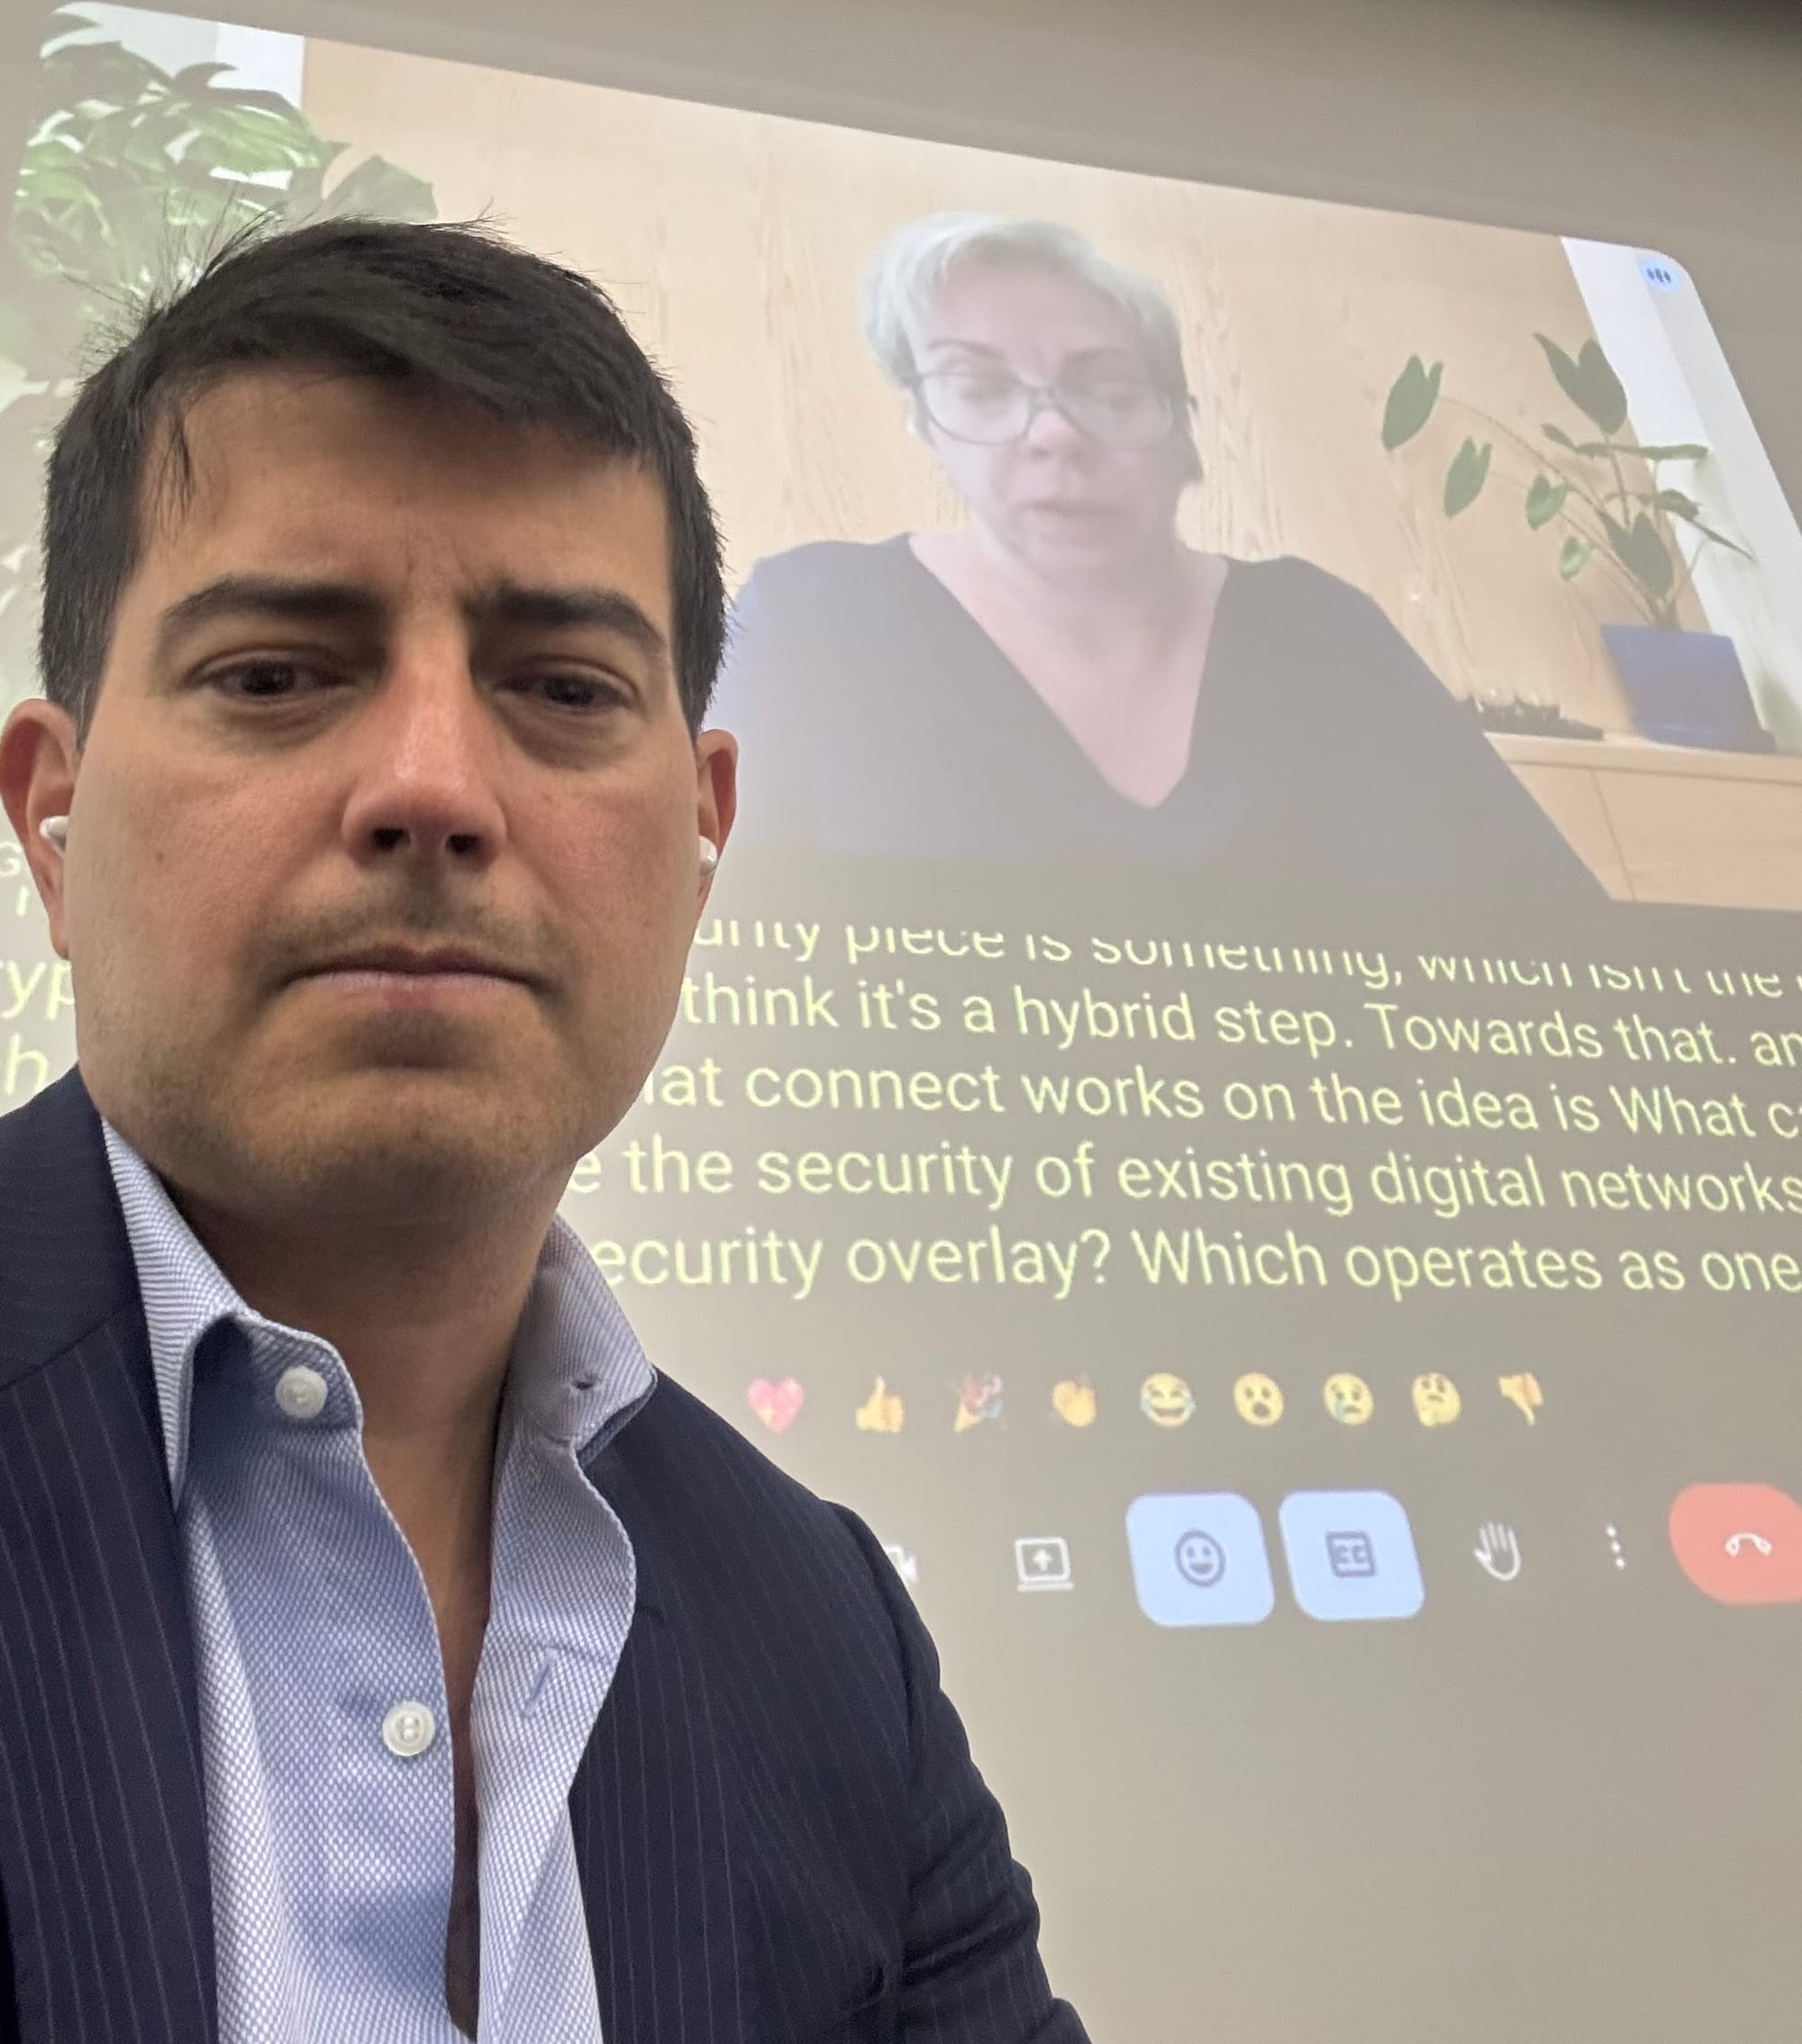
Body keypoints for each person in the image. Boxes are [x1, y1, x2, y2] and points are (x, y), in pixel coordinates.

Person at [0, 218, 1087, 2044]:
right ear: (53, 812)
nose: (431, 786)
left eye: (567, 691)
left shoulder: (831, 1634)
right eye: (274, 673)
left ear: (701, 832)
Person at [716, 210, 1606, 902]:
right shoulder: (813, 616)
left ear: (1182, 430)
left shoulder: (1323, 631)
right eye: (980, 386)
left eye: (1105, 387)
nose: (1054, 433)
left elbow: (1556, 941)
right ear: (924, 425)